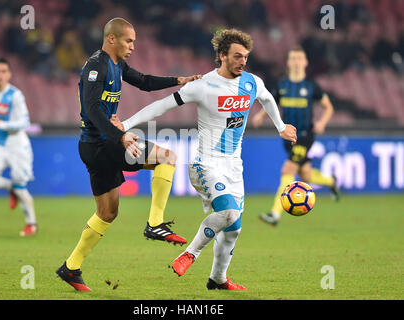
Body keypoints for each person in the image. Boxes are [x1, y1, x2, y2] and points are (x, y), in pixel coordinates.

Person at [113, 29, 297, 290]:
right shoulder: (202, 86)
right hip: (205, 164)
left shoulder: (252, 82)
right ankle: (190, 253)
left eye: (245, 56)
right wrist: (128, 123)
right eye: (236, 56)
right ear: (222, 56)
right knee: (228, 212)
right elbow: (162, 105)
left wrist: (280, 126)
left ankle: (218, 279)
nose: (242, 61)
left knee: (234, 229)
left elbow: (267, 98)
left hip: (234, 167)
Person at [55, 17, 201, 291]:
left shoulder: (117, 64)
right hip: (102, 145)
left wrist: (178, 80)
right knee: (167, 157)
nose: (133, 46)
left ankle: (71, 267)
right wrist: (120, 136)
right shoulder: (96, 66)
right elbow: (92, 110)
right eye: (129, 40)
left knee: (107, 213)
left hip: (97, 146)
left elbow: (143, 81)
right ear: (112, 38)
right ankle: (155, 224)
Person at [253, 47, 340, 226]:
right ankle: (331, 181)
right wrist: (260, 116)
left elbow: (329, 107)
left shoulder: (311, 86)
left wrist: (322, 123)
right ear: (288, 62)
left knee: (288, 170)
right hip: (288, 136)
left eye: (300, 58)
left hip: (305, 136)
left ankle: (275, 214)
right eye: (293, 58)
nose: (296, 61)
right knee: (306, 175)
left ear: (305, 62)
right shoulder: (282, 85)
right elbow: (271, 103)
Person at [0, 58, 37, 237]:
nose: (0, 75)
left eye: (4, 71)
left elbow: (25, 122)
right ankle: (11, 188)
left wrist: (1, 125)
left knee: (22, 187)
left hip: (18, 146)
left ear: (9, 75)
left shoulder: (16, 95)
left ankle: (31, 224)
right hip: (0, 145)